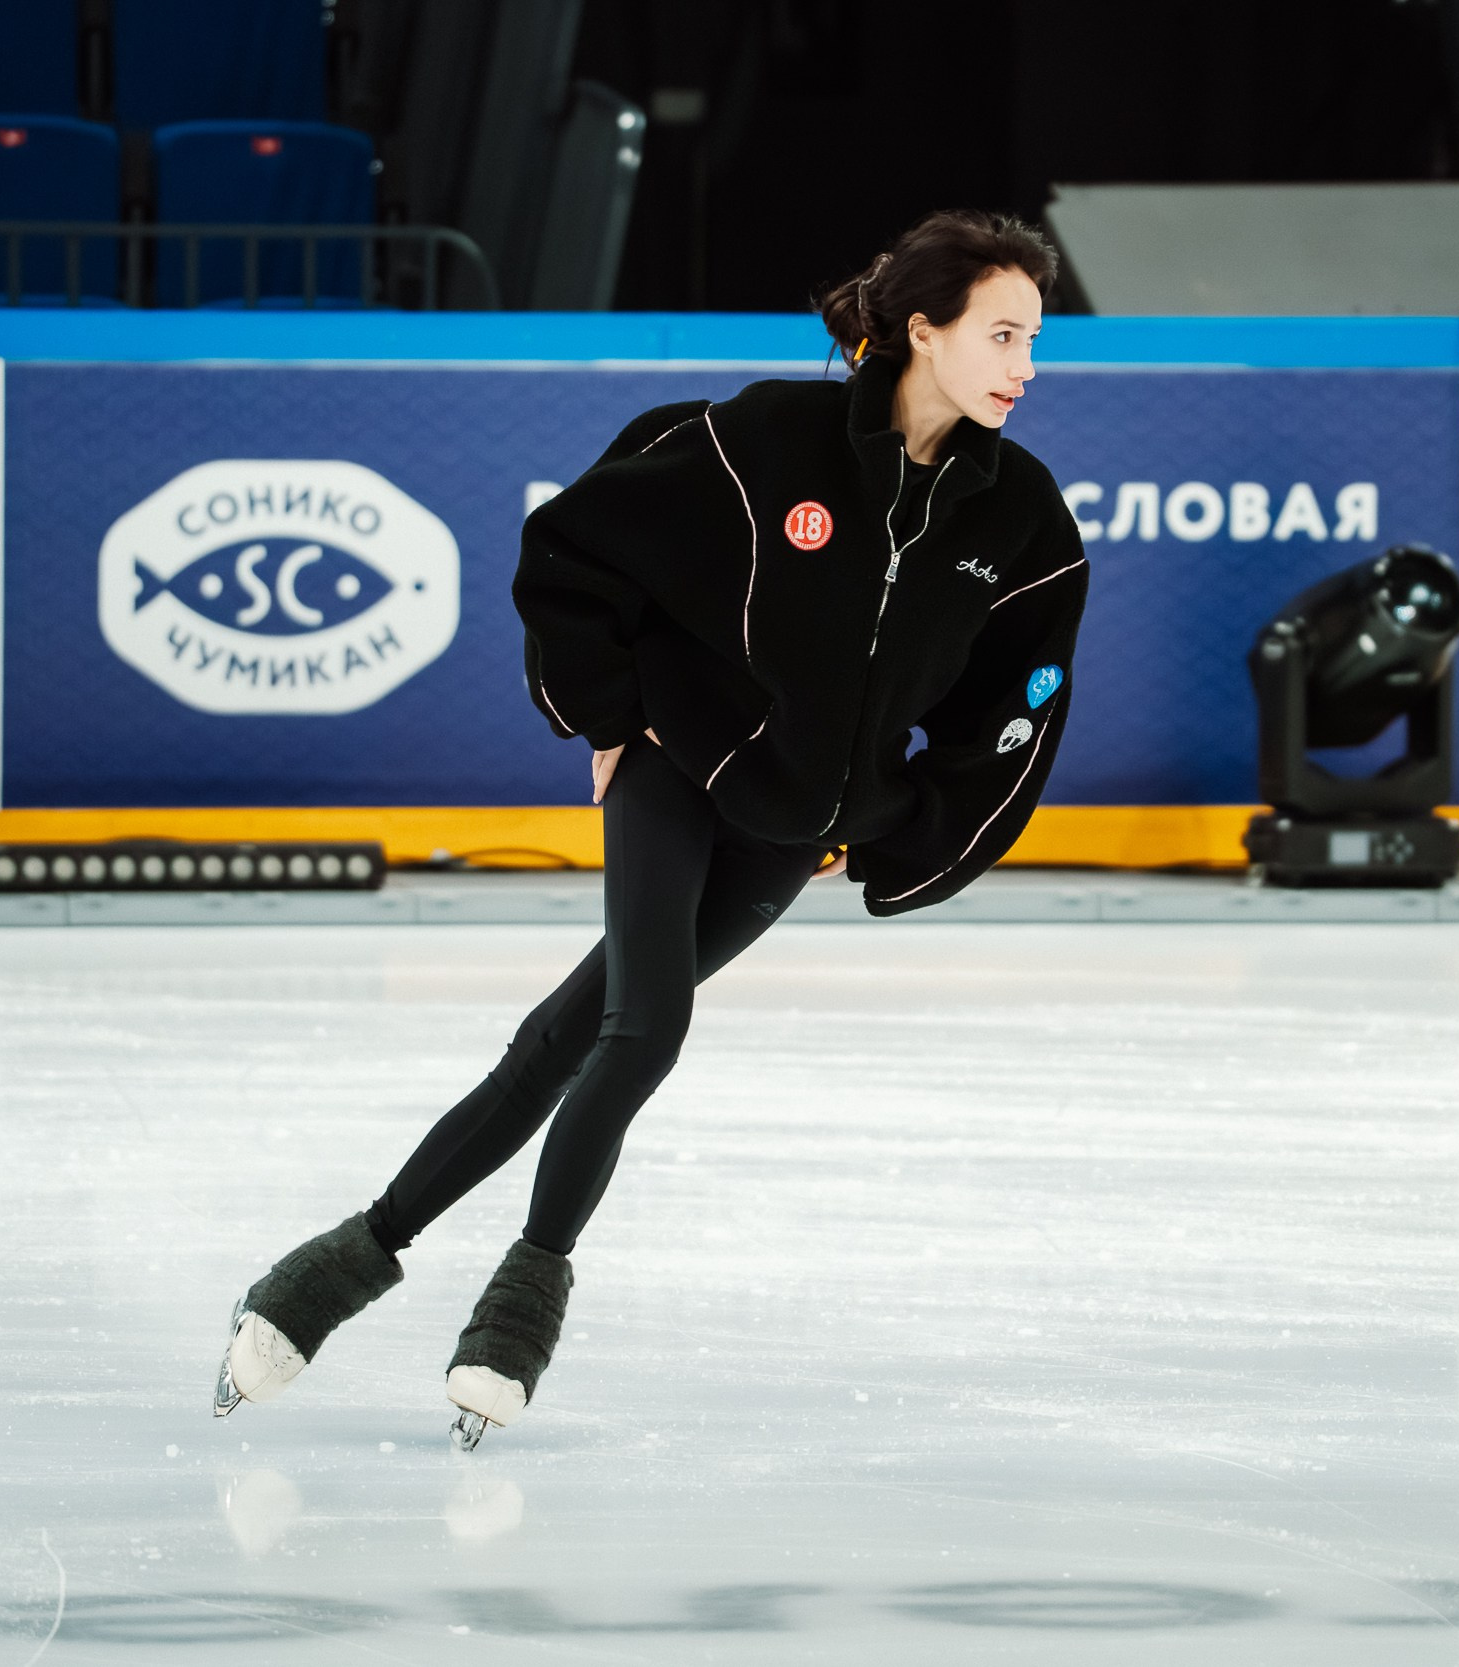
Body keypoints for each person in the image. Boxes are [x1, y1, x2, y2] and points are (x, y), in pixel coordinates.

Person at [212, 210, 1092, 1448]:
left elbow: (1019, 705)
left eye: (1033, 341)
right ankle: (519, 1309)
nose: (1024, 365)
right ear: (922, 329)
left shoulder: (1025, 523)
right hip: (680, 763)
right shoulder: (762, 440)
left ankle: (321, 1279)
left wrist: (889, 822)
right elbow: (574, 547)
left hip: (792, 827)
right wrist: (608, 715)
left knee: (563, 1037)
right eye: (1002, 334)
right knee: (644, 1024)